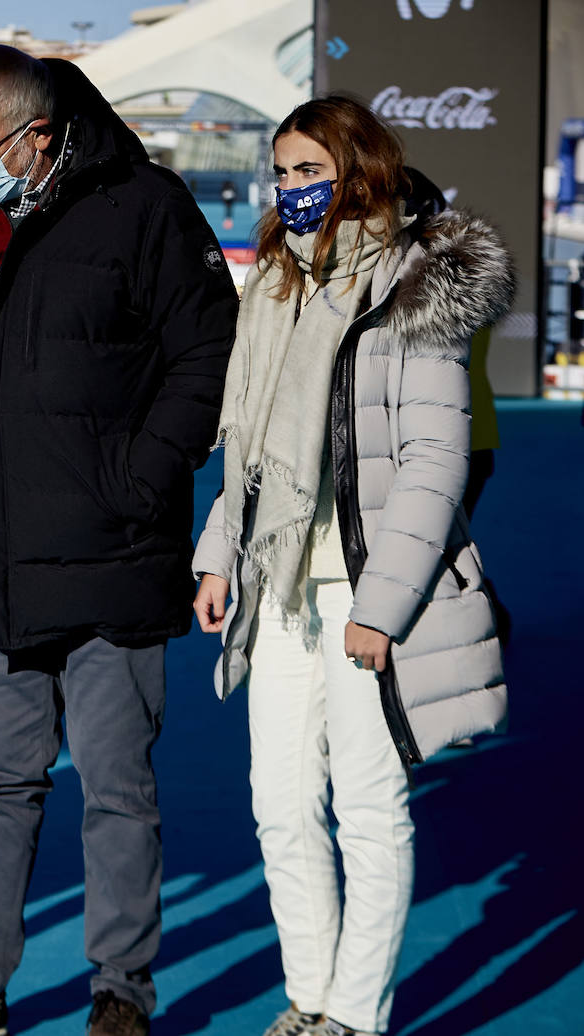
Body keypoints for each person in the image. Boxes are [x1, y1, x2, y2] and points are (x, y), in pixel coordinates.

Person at [0, 45, 239, 1036]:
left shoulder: (146, 207)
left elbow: (209, 353)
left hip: (113, 553)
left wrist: (144, 478)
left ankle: (122, 994)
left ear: (40, 133)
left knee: (117, 790)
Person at [191, 96, 512, 1036]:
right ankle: (307, 998)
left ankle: (356, 1016)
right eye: (282, 172)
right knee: (280, 806)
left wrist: (383, 605)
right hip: (277, 579)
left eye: (309, 172)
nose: (290, 190)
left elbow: (434, 458)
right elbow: (245, 444)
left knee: (370, 807)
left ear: (358, 172)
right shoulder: (276, 285)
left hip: (367, 589)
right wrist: (220, 555)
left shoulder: (417, 283)